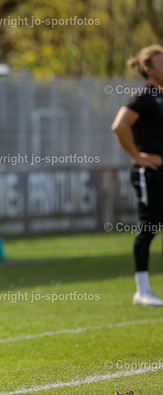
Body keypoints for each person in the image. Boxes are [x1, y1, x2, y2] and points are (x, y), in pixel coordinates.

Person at [111, 44, 163, 307]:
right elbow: (119, 126)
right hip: (149, 173)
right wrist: (138, 156)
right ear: (147, 69)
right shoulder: (144, 97)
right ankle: (142, 291)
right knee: (149, 227)